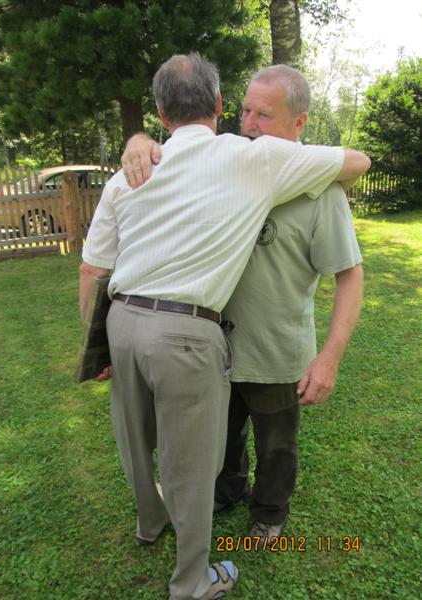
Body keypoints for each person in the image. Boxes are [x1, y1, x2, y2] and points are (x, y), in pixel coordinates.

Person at [81, 54, 369, 600]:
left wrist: (329, 357)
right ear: (221, 106)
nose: (249, 124)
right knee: (218, 443)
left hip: (276, 352)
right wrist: (139, 141)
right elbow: (181, 148)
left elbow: (350, 273)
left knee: (276, 444)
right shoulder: (231, 158)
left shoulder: (316, 187)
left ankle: (270, 515)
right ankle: (225, 493)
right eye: (245, 111)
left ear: (300, 123)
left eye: (264, 115)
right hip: (211, 350)